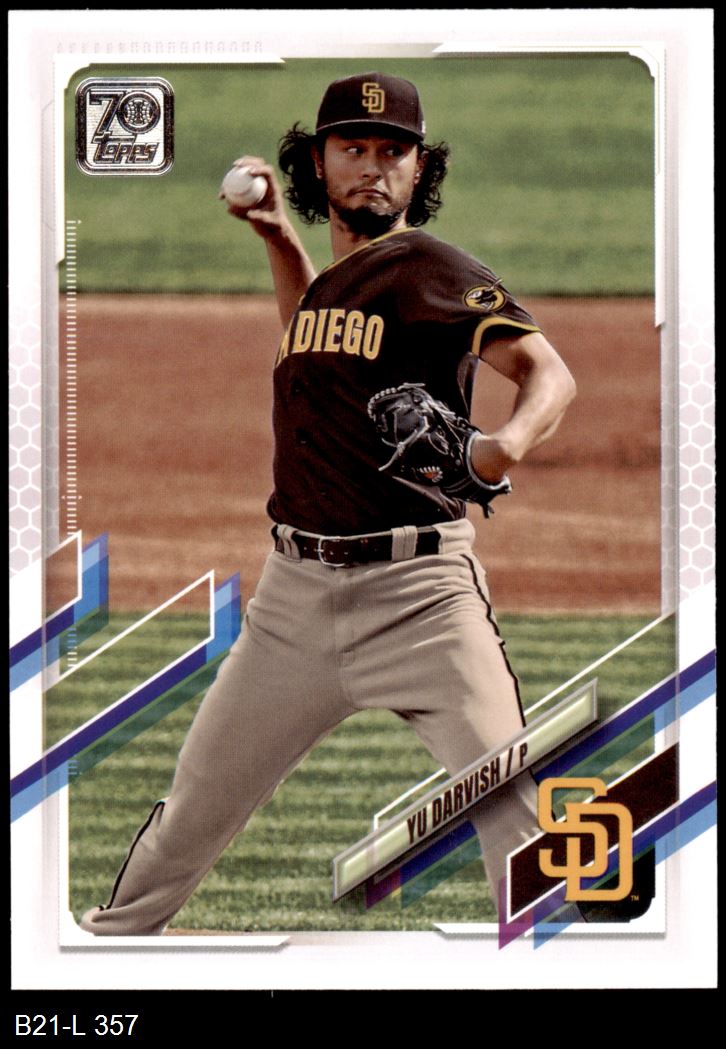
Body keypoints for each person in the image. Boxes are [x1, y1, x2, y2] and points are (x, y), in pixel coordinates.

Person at [80, 72, 576, 935]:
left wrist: (500, 446)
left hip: (424, 601)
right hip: (293, 605)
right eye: (354, 149)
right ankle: (102, 957)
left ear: (419, 169)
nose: (373, 167)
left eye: (393, 152)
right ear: (319, 162)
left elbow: (550, 374)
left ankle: (561, 967)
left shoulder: (431, 270)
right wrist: (278, 236)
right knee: (192, 812)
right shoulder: (335, 283)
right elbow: (313, 331)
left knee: (509, 804)